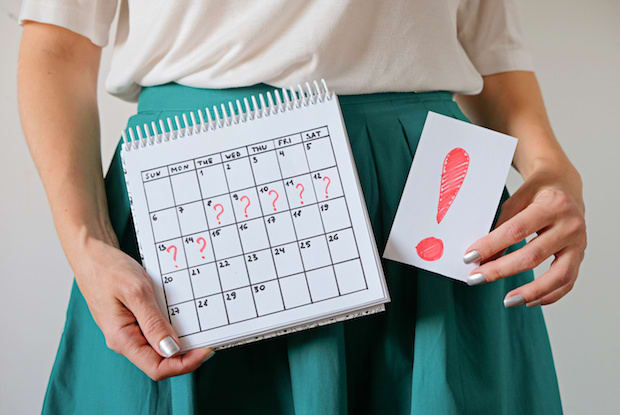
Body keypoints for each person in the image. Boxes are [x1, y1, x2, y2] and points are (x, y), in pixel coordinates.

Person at [17, 1, 586, 414]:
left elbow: (486, 48)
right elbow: (57, 44)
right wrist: (86, 245)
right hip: (200, 198)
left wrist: (549, 165)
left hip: (427, 189)